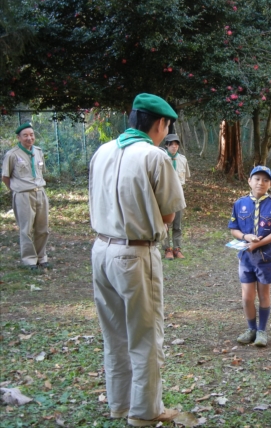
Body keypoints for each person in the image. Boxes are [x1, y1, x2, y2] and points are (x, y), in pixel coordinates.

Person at [89, 93, 185, 427]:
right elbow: (170, 215)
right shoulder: (154, 156)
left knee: (114, 333)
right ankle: (144, 411)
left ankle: (119, 403)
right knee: (144, 335)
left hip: (101, 249)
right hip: (134, 252)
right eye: (166, 126)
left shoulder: (102, 151)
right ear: (160, 124)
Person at [229, 165, 271, 347]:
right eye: (257, 179)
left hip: (266, 256)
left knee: (264, 294)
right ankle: (251, 328)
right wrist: (246, 237)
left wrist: (259, 243)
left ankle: (262, 330)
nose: (260, 183)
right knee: (247, 297)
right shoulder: (240, 203)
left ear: (270, 184)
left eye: (265, 180)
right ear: (249, 181)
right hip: (246, 257)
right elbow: (233, 228)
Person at [2, 122, 50, 270]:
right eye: (25, 135)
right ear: (19, 138)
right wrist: (16, 190)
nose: (29, 138)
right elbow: (5, 177)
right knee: (26, 229)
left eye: (31, 135)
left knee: (43, 228)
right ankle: (29, 260)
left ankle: (42, 257)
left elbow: (42, 171)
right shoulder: (12, 155)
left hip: (40, 192)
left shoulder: (38, 151)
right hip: (23, 195)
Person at [162, 133, 191, 260]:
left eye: (176, 144)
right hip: (164, 195)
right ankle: (167, 249)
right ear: (166, 145)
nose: (174, 147)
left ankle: (177, 249)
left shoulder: (183, 160)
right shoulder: (161, 159)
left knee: (177, 224)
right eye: (171, 144)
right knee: (165, 224)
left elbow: (186, 177)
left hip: (179, 195)